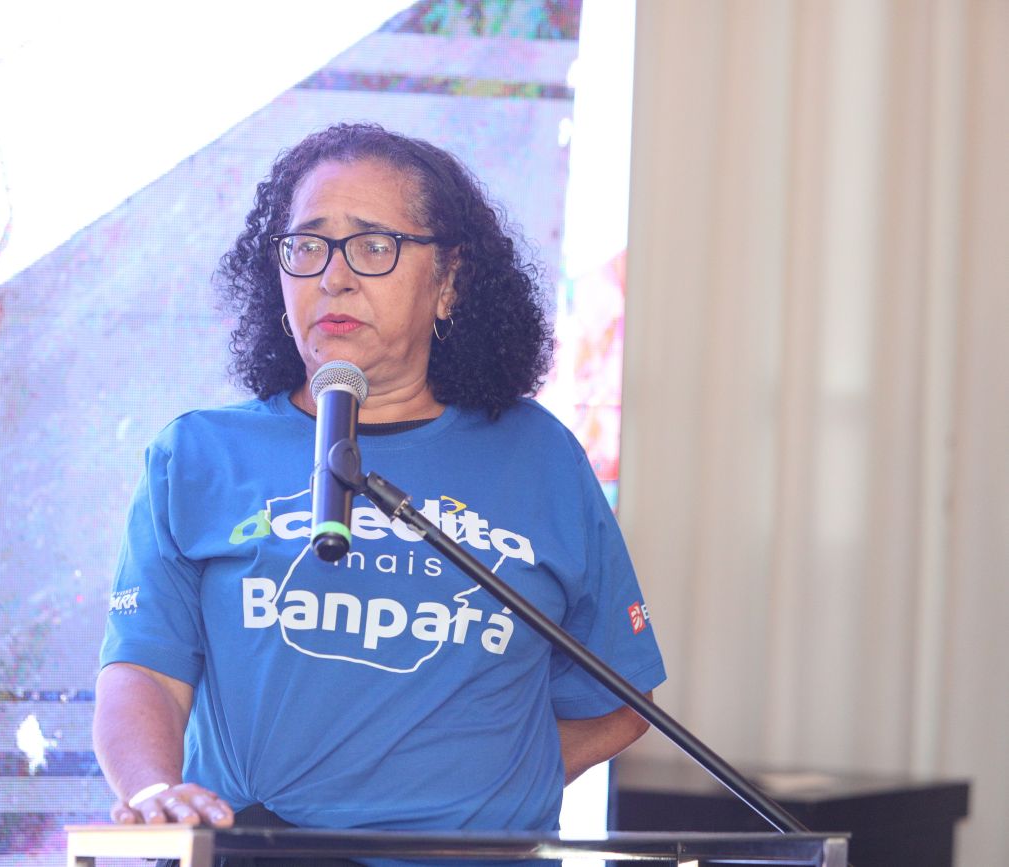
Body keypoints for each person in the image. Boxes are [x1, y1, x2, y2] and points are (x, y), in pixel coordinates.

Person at [93, 123, 666, 853]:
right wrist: (152, 791)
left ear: (449, 281)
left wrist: (483, 798)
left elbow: (620, 696)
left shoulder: (538, 457)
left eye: (373, 246)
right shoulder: (199, 455)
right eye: (308, 246)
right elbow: (144, 670)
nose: (333, 276)